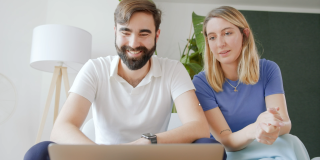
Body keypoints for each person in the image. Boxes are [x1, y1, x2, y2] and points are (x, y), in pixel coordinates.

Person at [24, 0, 211, 159]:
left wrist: (149, 141)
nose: (133, 43)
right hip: (100, 157)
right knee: (39, 152)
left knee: (206, 146)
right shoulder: (95, 69)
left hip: (151, 155)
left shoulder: (173, 70)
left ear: (157, 35)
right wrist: (102, 155)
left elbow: (199, 127)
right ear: (115, 32)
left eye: (144, 34)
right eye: (125, 32)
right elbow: (62, 128)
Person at [192, 6, 304, 159]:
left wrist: (270, 127)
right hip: (230, 153)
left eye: (227, 33)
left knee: (290, 141)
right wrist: (255, 128)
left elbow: (284, 122)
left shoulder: (268, 69)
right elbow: (226, 140)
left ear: (244, 34)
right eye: (212, 37)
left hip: (265, 145)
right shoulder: (201, 83)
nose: (220, 44)